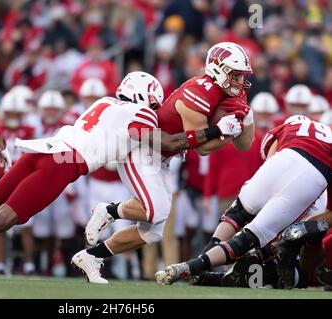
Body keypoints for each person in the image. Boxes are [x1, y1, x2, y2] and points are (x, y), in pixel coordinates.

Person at [0, 71, 243, 278]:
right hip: (64, 163)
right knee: (8, 217)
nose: (156, 111)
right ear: (147, 98)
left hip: (47, 148)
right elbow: (165, 140)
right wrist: (215, 131)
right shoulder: (139, 112)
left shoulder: (104, 102)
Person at [75, 42, 254, 284]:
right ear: (218, 70)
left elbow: (245, 145)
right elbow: (201, 148)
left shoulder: (234, 93)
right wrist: (225, 132)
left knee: (152, 233)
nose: (240, 81)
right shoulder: (198, 92)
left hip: (165, 157)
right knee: (153, 210)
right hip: (144, 150)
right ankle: (108, 210)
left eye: (243, 75)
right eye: (235, 74)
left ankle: (91, 257)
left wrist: (246, 120)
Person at [156, 115, 332, 288]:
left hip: (284, 159)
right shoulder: (322, 136)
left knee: (238, 213)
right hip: (313, 178)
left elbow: (269, 159)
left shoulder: (290, 126)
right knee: (253, 238)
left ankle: (198, 264)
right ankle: (195, 268)